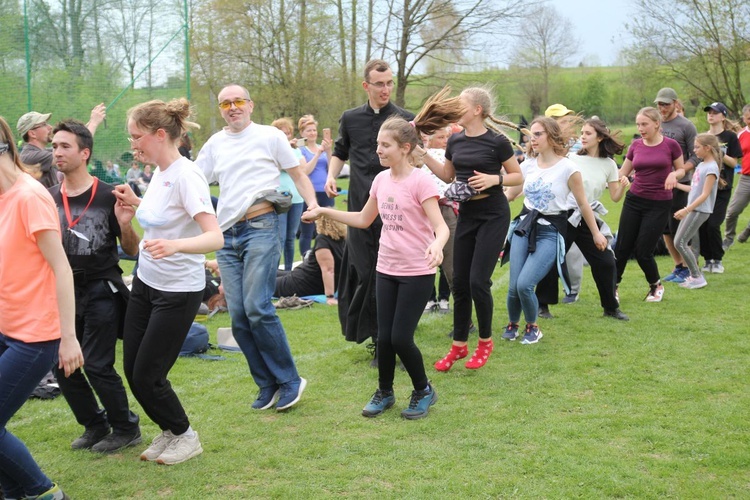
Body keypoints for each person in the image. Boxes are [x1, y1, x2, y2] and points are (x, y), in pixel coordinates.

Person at [303, 111, 453, 419]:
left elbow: (441, 227)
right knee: (384, 336)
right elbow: (362, 218)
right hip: (386, 268)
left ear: (405, 148)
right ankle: (385, 391)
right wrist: (323, 212)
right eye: (377, 144)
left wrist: (437, 245)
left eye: (385, 145)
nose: (378, 151)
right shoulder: (381, 180)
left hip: (417, 271)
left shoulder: (421, 181)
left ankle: (423, 390)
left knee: (400, 338)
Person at [113, 98, 223, 465]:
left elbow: (214, 237)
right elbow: (162, 223)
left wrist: (175, 245)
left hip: (178, 292)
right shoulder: (159, 173)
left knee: (149, 374)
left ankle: (186, 436)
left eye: (136, 136)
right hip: (146, 283)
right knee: (132, 370)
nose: (133, 145)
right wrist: (135, 203)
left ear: (160, 135)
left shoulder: (187, 176)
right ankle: (169, 431)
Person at [195, 84, 317, 412]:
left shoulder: (269, 136)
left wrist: (313, 204)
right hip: (226, 234)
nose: (232, 107)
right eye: (225, 103)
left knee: (257, 306)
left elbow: (297, 173)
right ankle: (267, 384)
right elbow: (191, 182)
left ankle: (290, 380)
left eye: (238, 101)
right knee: (238, 316)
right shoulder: (215, 144)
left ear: (250, 104)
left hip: (261, 226)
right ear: (221, 109)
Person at [0, 116, 84, 500]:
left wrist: (68, 339)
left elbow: (61, 269)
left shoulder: (30, 197)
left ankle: (43, 492)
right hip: (6, 328)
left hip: (35, 337)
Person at [49, 120, 142, 454]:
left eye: (64, 146)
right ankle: (95, 424)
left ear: (84, 153)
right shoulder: (47, 198)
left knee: (97, 363)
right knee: (62, 364)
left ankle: (126, 427)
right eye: (54, 146)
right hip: (61, 292)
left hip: (102, 288)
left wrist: (126, 225)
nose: (57, 152)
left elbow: (131, 250)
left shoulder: (108, 194)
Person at [420, 87, 522, 370]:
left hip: (493, 214)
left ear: (477, 109)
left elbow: (517, 176)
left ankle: (485, 343)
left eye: (460, 104)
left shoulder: (497, 142)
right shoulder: (455, 140)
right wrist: (423, 154)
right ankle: (458, 346)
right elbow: (447, 174)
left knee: (479, 281)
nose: (455, 108)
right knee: (460, 283)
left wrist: (494, 180)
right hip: (466, 214)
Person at [325, 59, 415, 354]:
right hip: (361, 208)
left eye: (389, 82)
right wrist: (330, 176)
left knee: (393, 274)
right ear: (366, 86)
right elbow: (340, 151)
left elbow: (415, 159)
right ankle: (377, 336)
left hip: (395, 209)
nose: (386, 89)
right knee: (365, 272)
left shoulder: (404, 119)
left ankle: (388, 339)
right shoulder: (351, 118)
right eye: (379, 83)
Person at [503, 117, 607, 344]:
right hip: (524, 227)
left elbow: (583, 204)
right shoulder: (527, 164)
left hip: (550, 231)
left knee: (525, 284)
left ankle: (533, 327)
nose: (532, 139)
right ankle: (513, 323)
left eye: (538, 134)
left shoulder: (569, 168)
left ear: (551, 136)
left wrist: (596, 233)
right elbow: (511, 194)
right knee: (513, 288)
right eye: (531, 135)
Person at [527, 118, 630, 323]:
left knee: (606, 262)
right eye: (582, 132)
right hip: (563, 216)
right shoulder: (571, 158)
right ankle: (542, 305)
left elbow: (615, 197)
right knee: (550, 259)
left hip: (587, 216)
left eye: (588, 133)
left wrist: (623, 185)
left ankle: (610, 307)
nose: (582, 136)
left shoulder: (609, 164)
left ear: (600, 138)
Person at [615, 107, 685, 302]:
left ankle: (656, 286)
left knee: (643, 251)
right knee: (621, 248)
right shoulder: (636, 145)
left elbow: (682, 170)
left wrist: (673, 174)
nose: (641, 128)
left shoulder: (671, 145)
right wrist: (622, 179)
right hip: (634, 200)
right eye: (638, 124)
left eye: (644, 124)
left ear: (657, 123)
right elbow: (623, 172)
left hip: (659, 203)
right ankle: (613, 287)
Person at [653, 88, 698, 284]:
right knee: (664, 229)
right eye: (659, 104)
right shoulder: (656, 124)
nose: (662, 108)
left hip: (681, 184)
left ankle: (689, 268)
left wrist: (681, 171)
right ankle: (678, 265)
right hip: (658, 184)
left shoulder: (686, 126)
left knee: (678, 227)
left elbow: (696, 155)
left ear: (675, 103)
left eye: (666, 104)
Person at [17, 104, 106, 188]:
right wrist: (94, 123)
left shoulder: (39, 153)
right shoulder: (29, 157)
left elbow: (76, 141)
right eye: (44, 124)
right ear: (32, 133)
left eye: (64, 146)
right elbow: (78, 144)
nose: (50, 127)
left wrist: (92, 121)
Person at [697, 102, 741, 273]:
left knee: (714, 224)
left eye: (715, 113)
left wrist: (718, 151)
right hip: (705, 187)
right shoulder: (703, 137)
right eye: (709, 112)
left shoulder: (730, 137)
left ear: (723, 116)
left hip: (723, 188)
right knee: (703, 224)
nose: (711, 115)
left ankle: (718, 260)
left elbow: (734, 162)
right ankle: (708, 259)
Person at [673, 134, 721, 289]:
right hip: (694, 209)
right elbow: (694, 189)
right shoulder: (701, 165)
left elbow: (705, 194)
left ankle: (697, 277)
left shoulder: (712, 168)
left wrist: (686, 210)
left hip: (700, 210)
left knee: (680, 242)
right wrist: (677, 185)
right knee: (680, 242)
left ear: (707, 148)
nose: (694, 151)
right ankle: (695, 275)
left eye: (697, 147)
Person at [420, 126, 456, 314]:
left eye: (446, 137)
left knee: (447, 255)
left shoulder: (450, 156)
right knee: (426, 253)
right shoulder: (420, 157)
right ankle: (429, 298)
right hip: (426, 208)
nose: (444, 141)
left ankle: (444, 297)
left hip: (446, 206)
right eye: (440, 137)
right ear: (428, 138)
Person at [275, 216, 346, 305]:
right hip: (302, 276)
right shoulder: (343, 240)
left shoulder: (323, 240)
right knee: (272, 273)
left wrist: (330, 297)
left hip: (304, 282)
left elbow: (328, 270)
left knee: (263, 282)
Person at [271, 117, 306, 270]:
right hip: (280, 198)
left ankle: (289, 270)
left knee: (291, 238)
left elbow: (301, 169)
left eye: (288, 133)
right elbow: (282, 167)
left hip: (297, 198)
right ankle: (276, 271)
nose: (286, 136)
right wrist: (289, 164)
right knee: (280, 237)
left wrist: (290, 161)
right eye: (282, 133)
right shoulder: (272, 151)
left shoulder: (296, 150)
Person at [298, 114, 334, 256]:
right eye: (308, 131)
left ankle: (329, 254)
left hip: (325, 191)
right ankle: (305, 257)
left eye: (314, 130)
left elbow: (331, 168)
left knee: (328, 226)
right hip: (309, 194)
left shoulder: (323, 148)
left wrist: (329, 150)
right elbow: (305, 171)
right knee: (307, 229)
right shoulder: (301, 150)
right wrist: (318, 153)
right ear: (302, 133)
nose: (312, 133)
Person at [724, 104, 750, 248]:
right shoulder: (741, 135)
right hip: (746, 178)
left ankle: (747, 232)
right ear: (744, 119)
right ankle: (728, 238)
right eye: (749, 118)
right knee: (732, 212)